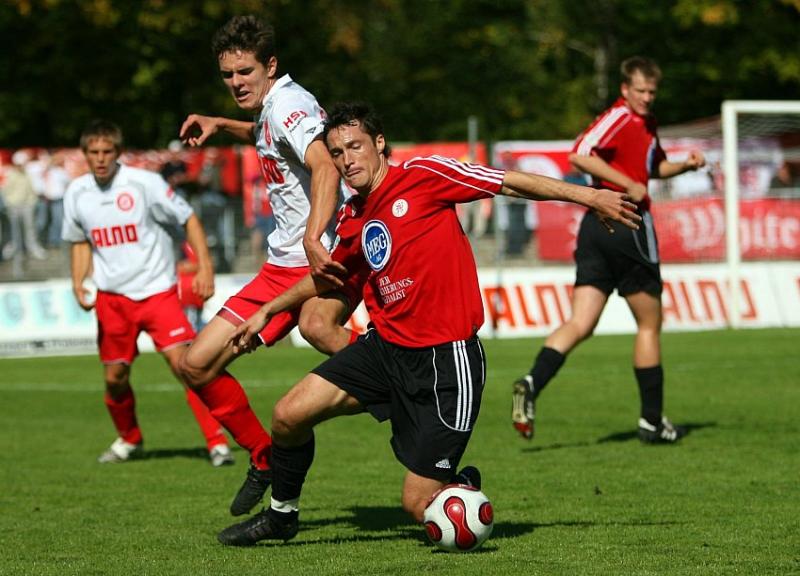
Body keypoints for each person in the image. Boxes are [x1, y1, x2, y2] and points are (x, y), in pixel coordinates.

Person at [215, 102, 640, 546]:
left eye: (355, 146)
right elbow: (327, 276)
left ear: (379, 144)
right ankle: (282, 517)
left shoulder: (423, 176)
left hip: (446, 364)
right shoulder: (353, 216)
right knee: (287, 415)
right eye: (337, 153)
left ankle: (461, 484)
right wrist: (267, 309)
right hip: (385, 351)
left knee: (417, 505)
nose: (347, 160)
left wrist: (591, 197)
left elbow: (507, 182)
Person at [176, 15, 355, 517]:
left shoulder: (291, 103)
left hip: (312, 261)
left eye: (245, 72)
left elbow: (323, 164)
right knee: (196, 364)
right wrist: (219, 124)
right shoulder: (274, 108)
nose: (235, 82)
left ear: (270, 66)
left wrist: (314, 237)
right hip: (279, 267)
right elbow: (265, 133)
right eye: (228, 75)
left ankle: (407, 381)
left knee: (318, 327)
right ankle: (265, 458)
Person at [511, 56, 707, 444]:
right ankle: (652, 421)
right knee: (649, 324)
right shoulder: (619, 116)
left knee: (581, 322)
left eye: (652, 92)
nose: (647, 98)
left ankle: (532, 383)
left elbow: (653, 168)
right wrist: (626, 185)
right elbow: (580, 152)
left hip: (595, 229)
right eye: (640, 91)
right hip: (626, 223)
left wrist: (685, 166)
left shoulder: (645, 123)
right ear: (625, 89)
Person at [61, 119, 234, 467]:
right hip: (112, 300)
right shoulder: (76, 193)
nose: (100, 159)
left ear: (118, 152)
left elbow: (189, 219)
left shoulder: (144, 183)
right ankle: (130, 439)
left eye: (107, 151)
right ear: (84, 155)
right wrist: (78, 282)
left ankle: (217, 442)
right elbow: (79, 242)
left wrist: (205, 267)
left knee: (187, 366)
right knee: (115, 378)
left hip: (158, 294)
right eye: (93, 152)